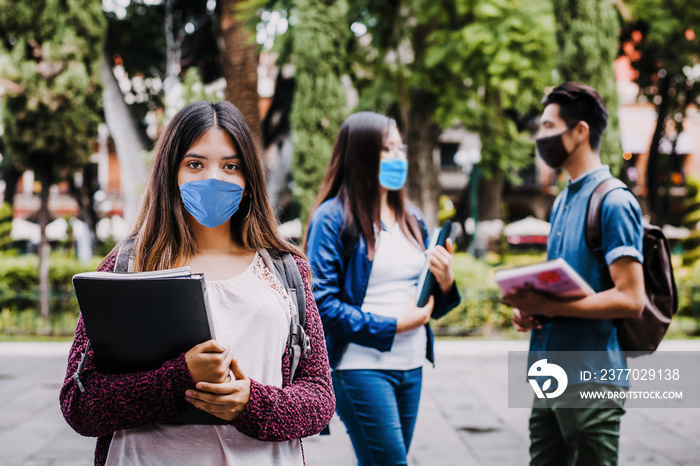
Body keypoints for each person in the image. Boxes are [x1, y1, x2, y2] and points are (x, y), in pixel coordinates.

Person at [60, 101, 335, 466]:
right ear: (170, 174)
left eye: (230, 166)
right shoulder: (127, 265)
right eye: (195, 164)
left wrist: (250, 403)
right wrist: (179, 378)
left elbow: (320, 398)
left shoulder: (286, 270)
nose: (213, 179)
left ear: (250, 180)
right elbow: (80, 403)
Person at [305, 111, 461, 466]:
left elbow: (427, 301)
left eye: (399, 148)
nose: (398, 157)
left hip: (411, 364)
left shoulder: (412, 217)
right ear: (360, 155)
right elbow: (321, 305)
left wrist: (446, 281)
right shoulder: (331, 218)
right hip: (358, 367)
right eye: (386, 150)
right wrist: (394, 326)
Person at [503, 82, 646, 466]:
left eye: (549, 127)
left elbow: (632, 299)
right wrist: (533, 309)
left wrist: (550, 306)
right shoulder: (564, 198)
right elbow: (564, 286)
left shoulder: (614, 200)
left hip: (592, 382)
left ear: (580, 131)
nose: (541, 136)